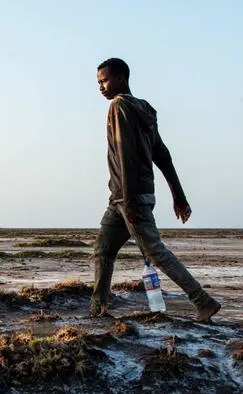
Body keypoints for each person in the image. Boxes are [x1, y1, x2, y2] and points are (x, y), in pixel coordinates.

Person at [91, 58, 220, 321]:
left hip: (129, 197)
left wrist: (129, 201)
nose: (101, 87)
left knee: (155, 252)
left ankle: (203, 301)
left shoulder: (119, 106)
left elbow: (126, 154)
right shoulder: (144, 109)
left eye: (104, 81)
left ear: (121, 79)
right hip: (125, 197)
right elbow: (162, 154)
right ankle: (98, 308)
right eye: (99, 83)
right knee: (103, 250)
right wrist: (179, 196)